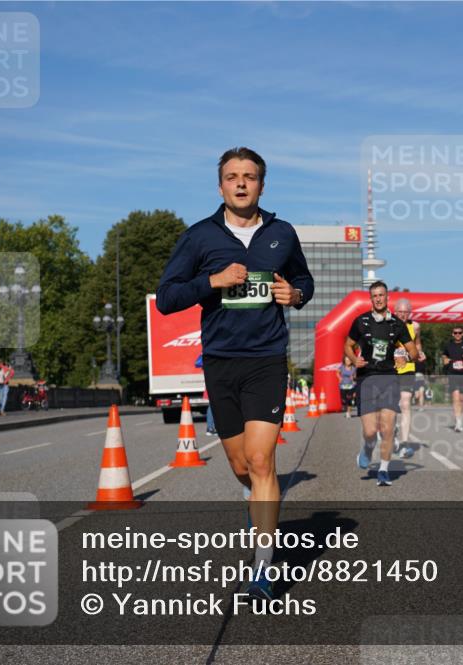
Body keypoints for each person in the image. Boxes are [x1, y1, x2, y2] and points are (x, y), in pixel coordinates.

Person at [156, 146, 314, 601]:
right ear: (220, 184)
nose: (241, 183)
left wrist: (294, 293)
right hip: (221, 361)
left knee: (263, 461)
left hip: (267, 358)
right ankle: (256, 501)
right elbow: (167, 297)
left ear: (262, 184)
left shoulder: (282, 233)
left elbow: (304, 282)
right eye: (232, 176)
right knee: (241, 465)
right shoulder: (199, 237)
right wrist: (213, 282)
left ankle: (263, 570)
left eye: (249, 176)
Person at [344, 281, 420, 487]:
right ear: (371, 298)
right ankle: (368, 447)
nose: (378, 298)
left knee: (387, 429)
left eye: (381, 295)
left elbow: (413, 352)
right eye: (375, 295)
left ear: (387, 298)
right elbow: (348, 345)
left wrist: (406, 358)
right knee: (370, 432)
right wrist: (354, 358)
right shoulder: (360, 321)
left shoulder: (397, 324)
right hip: (366, 378)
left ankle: (384, 470)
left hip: (389, 379)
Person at [392, 298, 425, 457]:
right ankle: (392, 432)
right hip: (390, 370)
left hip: (407, 368)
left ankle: (404, 444)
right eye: (400, 312)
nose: (403, 315)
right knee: (389, 407)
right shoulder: (387, 325)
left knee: (405, 404)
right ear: (395, 311)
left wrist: (420, 353)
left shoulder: (415, 326)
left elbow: (417, 344)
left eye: (406, 312)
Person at [442, 326, 463, 432]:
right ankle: (458, 422)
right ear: (452, 334)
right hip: (452, 373)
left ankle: (459, 418)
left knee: (461, 399)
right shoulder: (448, 345)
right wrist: (445, 359)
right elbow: (444, 355)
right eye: (455, 333)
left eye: (459, 333)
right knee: (455, 397)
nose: (457, 334)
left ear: (462, 334)